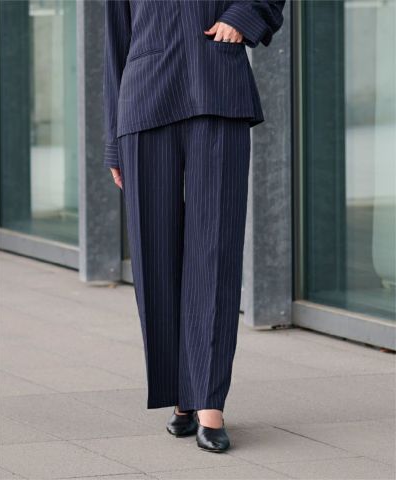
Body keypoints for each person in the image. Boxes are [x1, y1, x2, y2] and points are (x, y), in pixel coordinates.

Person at [103, 0, 285, 453]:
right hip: (144, 100)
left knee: (215, 250)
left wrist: (244, 16)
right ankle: (180, 393)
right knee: (156, 256)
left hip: (218, 90)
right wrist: (112, 141)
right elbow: (115, 41)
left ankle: (208, 401)